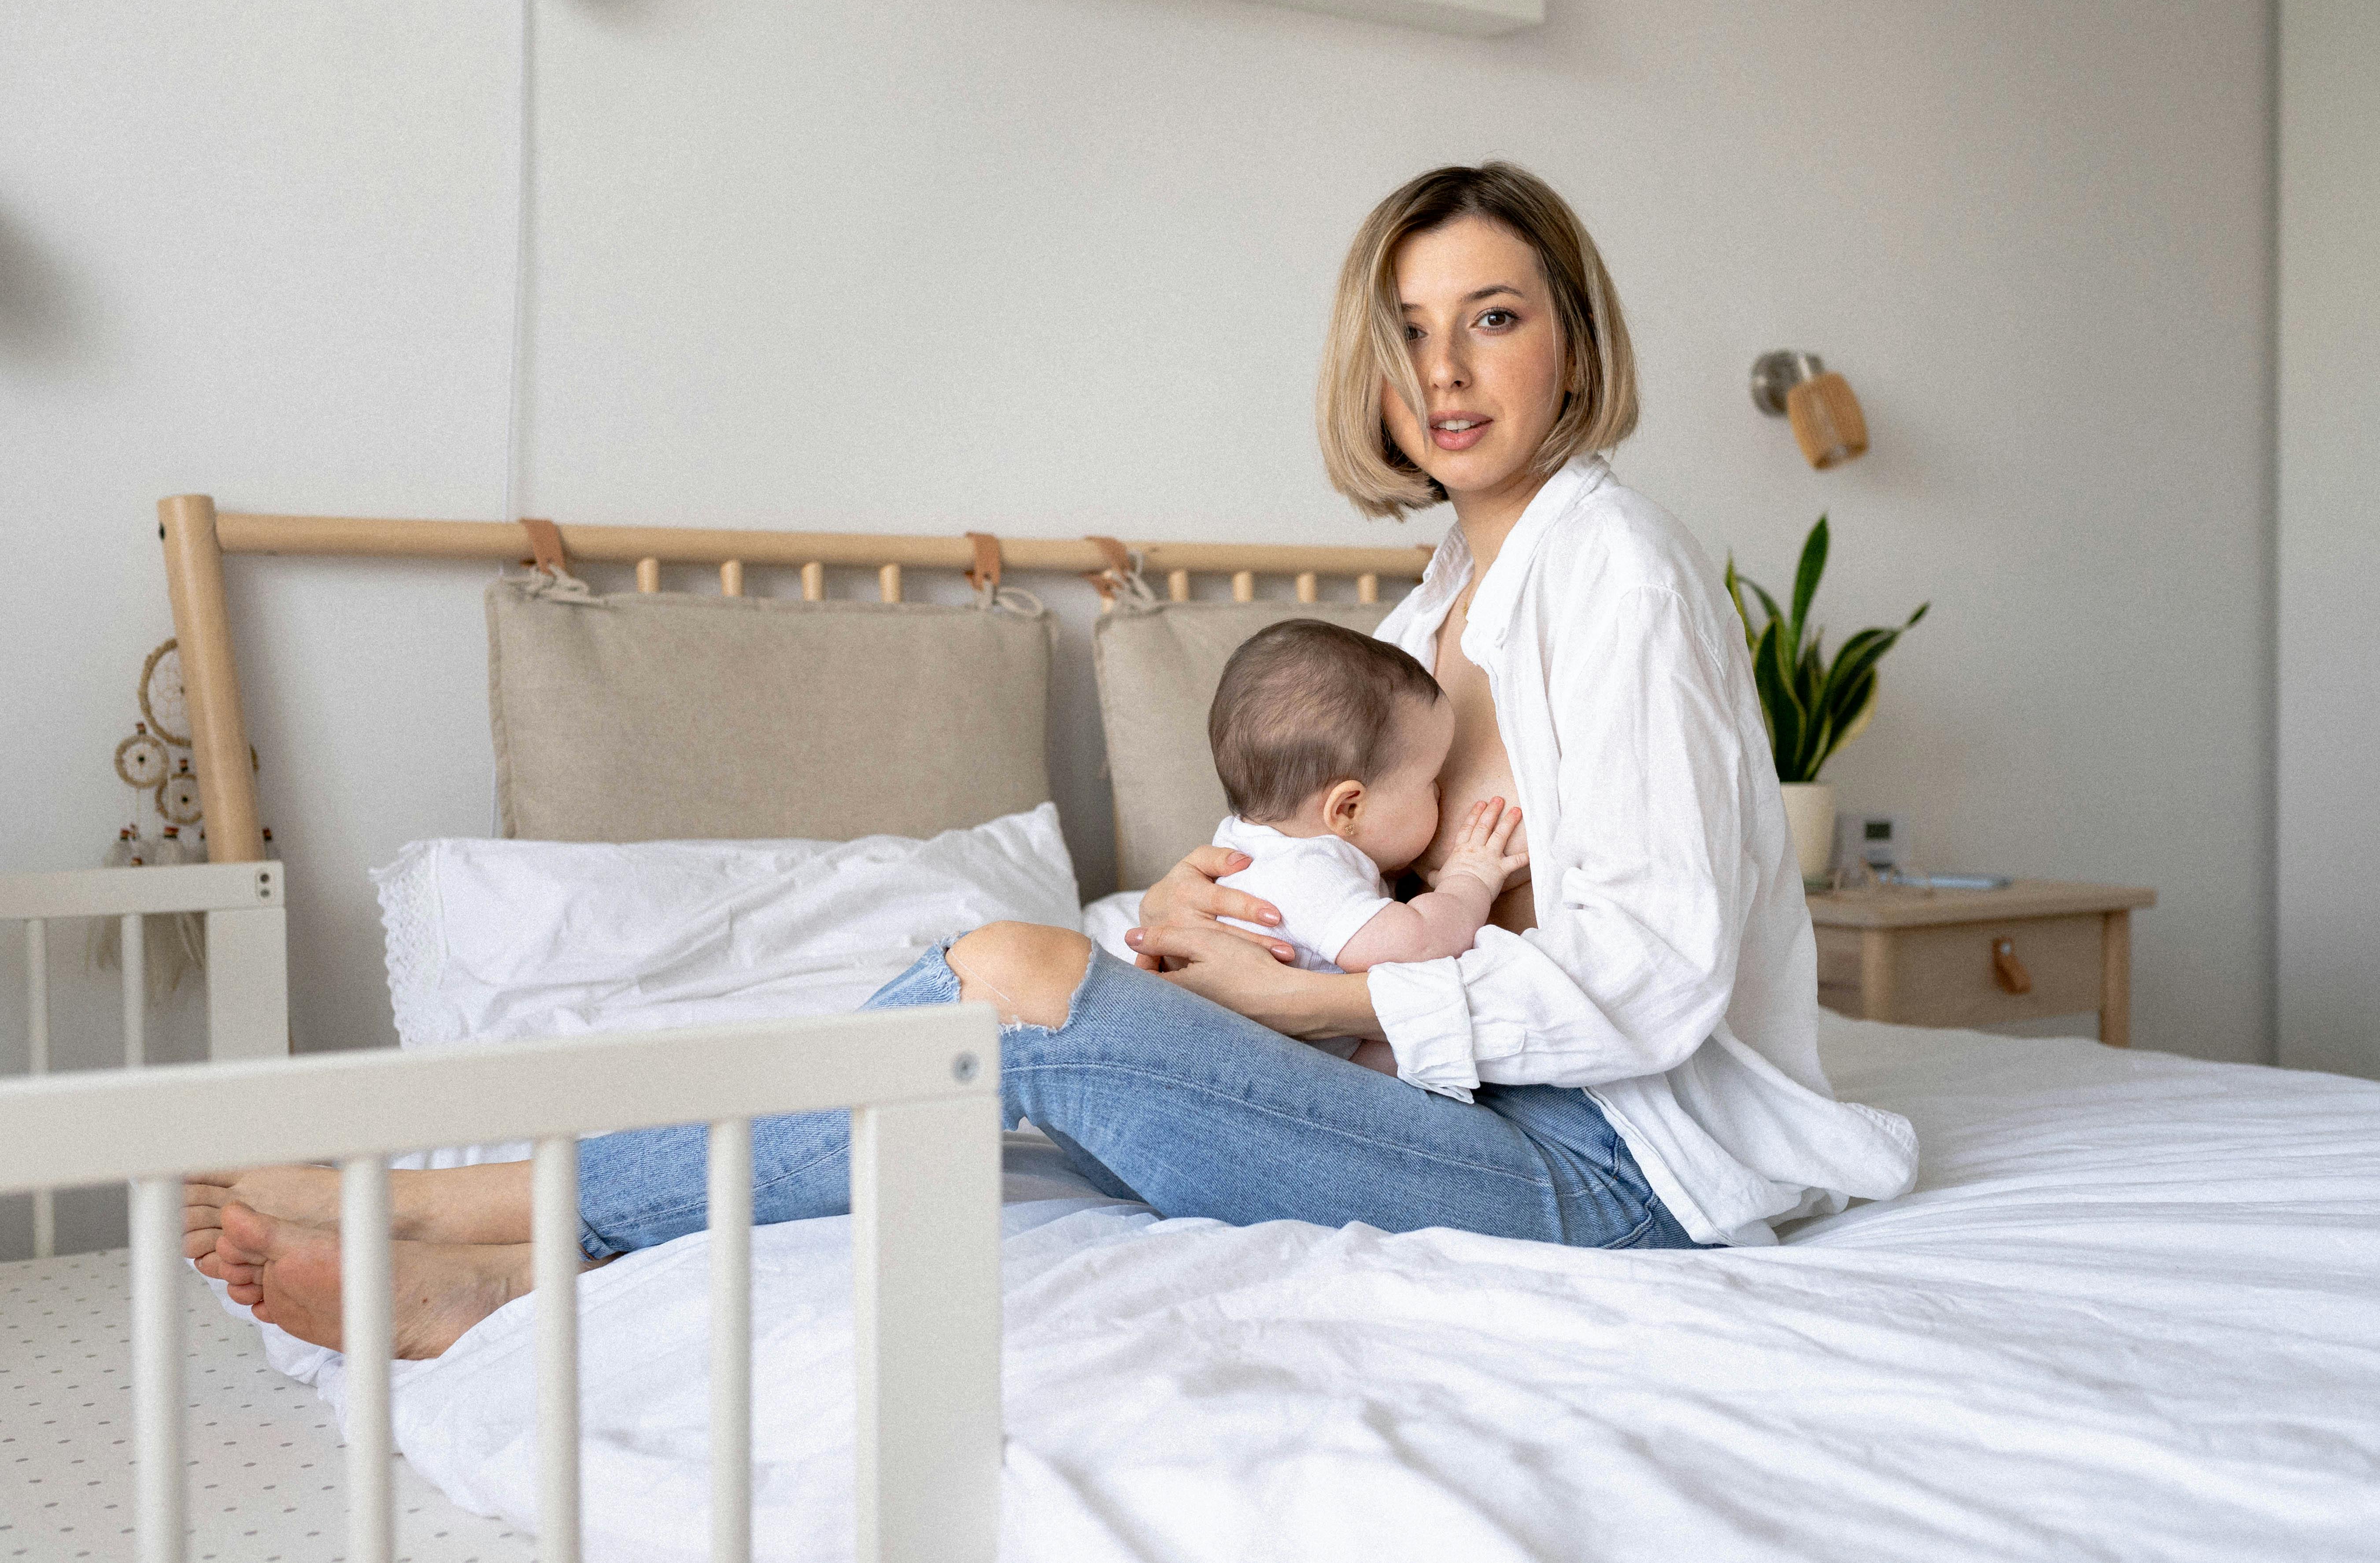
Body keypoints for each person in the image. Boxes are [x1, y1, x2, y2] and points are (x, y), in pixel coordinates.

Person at [188, 161, 1919, 1360]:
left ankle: (487, 1233)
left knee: (1015, 984)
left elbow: (1667, 972)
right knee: (1004, 966)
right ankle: (490, 1225)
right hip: (1461, 1095)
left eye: (1493, 316)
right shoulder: (1437, 598)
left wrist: (1299, 1005)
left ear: (1571, 336)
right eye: (1409, 328)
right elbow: (1357, 876)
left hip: (1622, 1171)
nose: (1446, 370)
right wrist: (1188, 912)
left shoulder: (1615, 570)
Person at [1202, 618, 1529, 1075]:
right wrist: (1469, 878)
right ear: (1348, 809)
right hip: (1282, 1069)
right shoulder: (1304, 874)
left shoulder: (1256, 842)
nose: (1441, 793)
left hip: (1301, 1046)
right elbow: (1418, 943)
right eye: (1430, 780)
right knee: (1433, 1057)